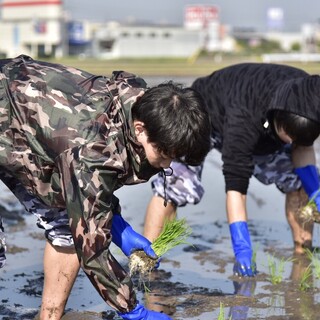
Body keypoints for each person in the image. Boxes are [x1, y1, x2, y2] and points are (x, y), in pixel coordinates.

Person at [0, 54, 211, 320]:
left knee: (66, 225)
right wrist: (134, 310)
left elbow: (89, 195)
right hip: (9, 111)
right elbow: (92, 250)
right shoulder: (92, 150)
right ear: (141, 129)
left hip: (26, 127)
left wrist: (118, 226)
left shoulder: (146, 105)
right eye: (164, 153)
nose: (167, 163)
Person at [143, 63, 320, 278]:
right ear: (277, 122)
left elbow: (303, 147)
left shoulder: (308, 97)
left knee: (298, 184)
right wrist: (242, 248)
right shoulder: (244, 121)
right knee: (174, 188)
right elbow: (236, 188)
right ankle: (148, 260)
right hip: (205, 117)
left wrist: (315, 192)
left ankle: (303, 255)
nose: (293, 144)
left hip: (266, 123)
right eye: (290, 138)